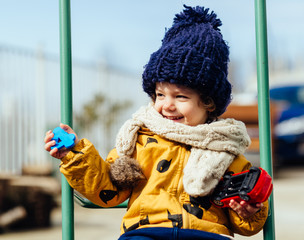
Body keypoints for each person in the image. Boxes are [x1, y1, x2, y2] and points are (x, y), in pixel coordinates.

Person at [44, 5, 269, 240]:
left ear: (209, 103)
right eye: (160, 95)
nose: (167, 105)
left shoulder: (226, 151)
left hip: (206, 234)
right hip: (146, 231)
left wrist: (249, 209)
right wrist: (75, 155)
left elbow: (246, 225)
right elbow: (107, 190)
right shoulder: (140, 140)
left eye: (180, 96)